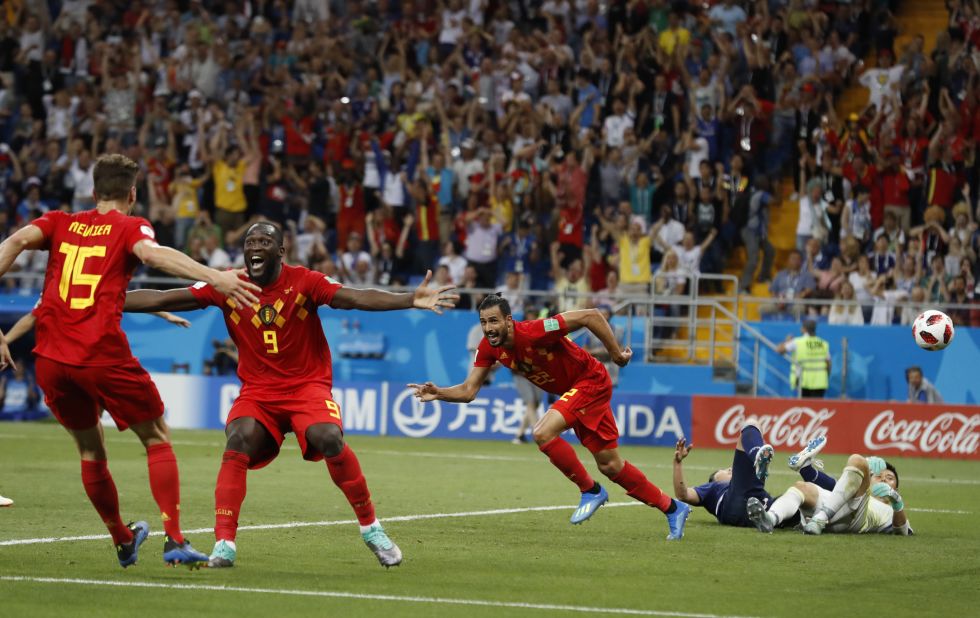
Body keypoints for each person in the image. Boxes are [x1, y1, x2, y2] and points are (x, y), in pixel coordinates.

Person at [122, 222, 458, 568]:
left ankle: (371, 527)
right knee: (237, 438)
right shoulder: (228, 284)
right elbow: (163, 298)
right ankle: (224, 543)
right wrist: (107, 298)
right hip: (258, 392)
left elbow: (355, 297)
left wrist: (409, 299)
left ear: (280, 252)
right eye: (250, 240)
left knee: (328, 437)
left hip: (306, 388)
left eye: (265, 241)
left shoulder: (305, 282)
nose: (255, 246)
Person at [0, 154, 259, 568]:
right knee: (156, 435)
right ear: (133, 194)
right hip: (100, 353)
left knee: (89, 450)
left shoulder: (58, 222)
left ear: (93, 191)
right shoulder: (130, 226)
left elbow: (12, 242)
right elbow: (152, 254)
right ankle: (174, 539)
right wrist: (217, 276)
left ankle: (123, 538)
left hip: (50, 357)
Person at [408, 295, 692, 540]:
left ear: (508, 320)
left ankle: (590, 491)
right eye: (484, 322)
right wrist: (440, 392)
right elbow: (469, 391)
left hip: (590, 380)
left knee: (542, 432)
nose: (489, 328)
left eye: (494, 321)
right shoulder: (489, 347)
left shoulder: (535, 331)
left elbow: (591, 316)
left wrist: (615, 354)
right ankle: (673, 508)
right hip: (575, 391)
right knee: (610, 465)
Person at [748, 450, 912, 536]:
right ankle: (769, 519)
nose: (883, 479)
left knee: (856, 459)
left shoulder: (890, 510)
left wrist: (896, 500)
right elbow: (846, 483)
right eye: (879, 475)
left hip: (857, 518)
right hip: (836, 507)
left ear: (896, 488)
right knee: (802, 487)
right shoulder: (851, 488)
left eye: (889, 478)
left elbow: (902, 532)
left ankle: (819, 518)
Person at [672, 423, 781, 529]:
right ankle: (757, 455)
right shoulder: (712, 489)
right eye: (723, 471)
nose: (729, 469)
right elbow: (683, 495)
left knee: (797, 489)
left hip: (762, 509)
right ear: (714, 481)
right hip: (735, 505)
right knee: (751, 424)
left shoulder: (748, 484)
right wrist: (678, 463)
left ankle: (773, 518)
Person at [776, 319, 830, 398]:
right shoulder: (822, 343)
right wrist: (825, 376)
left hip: (803, 381)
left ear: (804, 329)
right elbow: (829, 363)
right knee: (817, 408)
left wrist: (786, 341)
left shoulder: (797, 342)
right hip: (820, 382)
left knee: (805, 407)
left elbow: (779, 350)